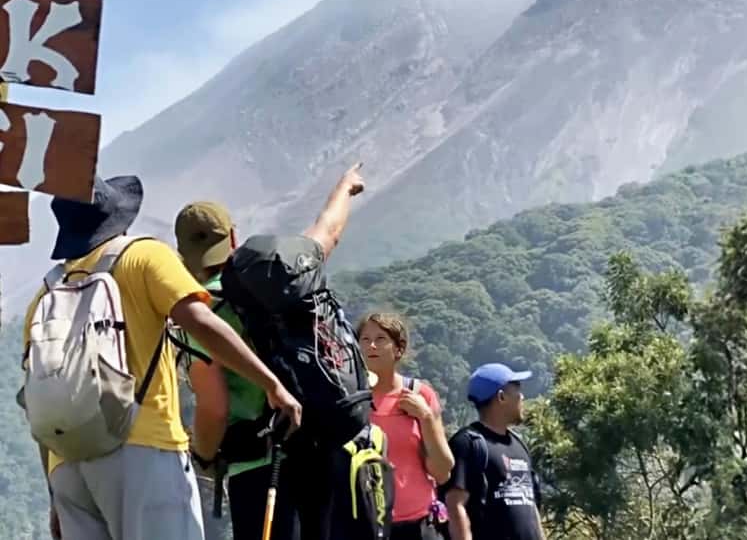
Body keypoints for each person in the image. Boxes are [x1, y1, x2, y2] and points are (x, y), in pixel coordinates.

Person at [20, 175, 302, 540]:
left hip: (68, 469)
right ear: (115, 215)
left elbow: (39, 402)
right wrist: (272, 384)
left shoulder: (45, 295)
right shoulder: (141, 256)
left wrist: (56, 495)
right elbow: (199, 320)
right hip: (142, 448)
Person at [174, 163, 366, 540]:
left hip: (260, 465)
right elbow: (329, 229)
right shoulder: (285, 273)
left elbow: (215, 407)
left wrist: (205, 457)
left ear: (182, 255)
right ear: (232, 237)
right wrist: (346, 186)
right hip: (323, 445)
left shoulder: (202, 312)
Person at [357, 312, 454, 540]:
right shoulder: (350, 399)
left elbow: (442, 471)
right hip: (364, 524)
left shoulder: (419, 395)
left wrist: (426, 417)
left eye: (381, 339)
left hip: (417, 524)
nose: (371, 345)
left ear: (398, 349)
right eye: (364, 339)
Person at [441, 363, 545, 540]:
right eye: (517, 390)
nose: (522, 397)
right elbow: (455, 505)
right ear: (501, 397)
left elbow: (531, 506)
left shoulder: (520, 444)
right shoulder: (468, 443)